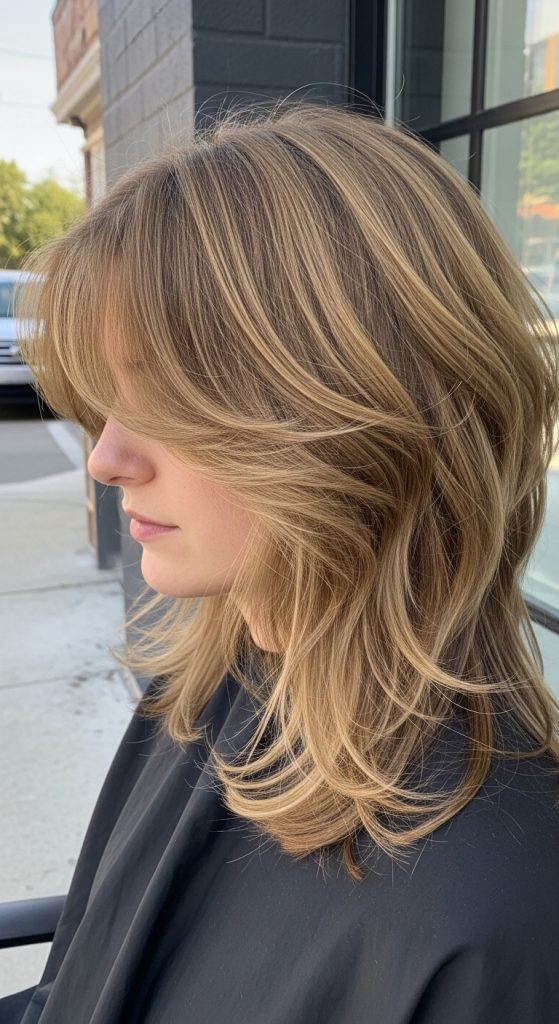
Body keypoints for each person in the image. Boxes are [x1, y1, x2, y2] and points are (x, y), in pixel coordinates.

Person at [3, 98, 559, 1023]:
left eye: (169, 401)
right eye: (110, 399)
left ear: (362, 420)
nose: (107, 458)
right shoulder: (213, 686)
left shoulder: (483, 918)